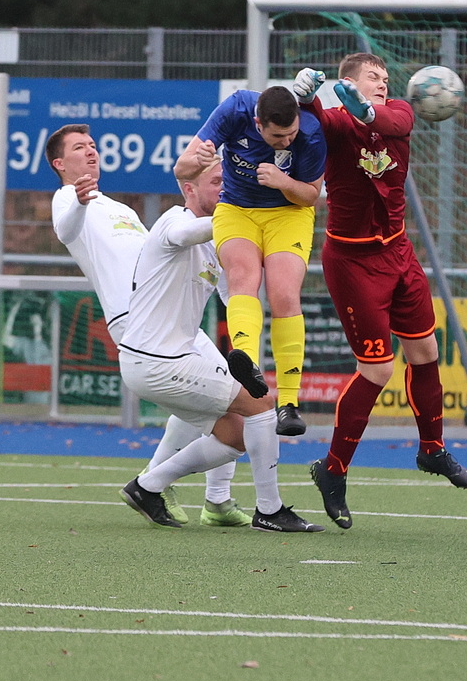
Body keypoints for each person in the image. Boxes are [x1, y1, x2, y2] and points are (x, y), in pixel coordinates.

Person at [289, 54, 467, 532]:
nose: (382, 84)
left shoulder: (397, 112)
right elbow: (311, 124)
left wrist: (369, 109)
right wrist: (304, 99)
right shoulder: (337, 122)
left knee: (426, 350)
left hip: (398, 253)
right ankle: (332, 470)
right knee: (377, 369)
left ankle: (432, 449)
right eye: (372, 78)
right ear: (347, 83)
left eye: (386, 79)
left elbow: (395, 121)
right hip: (352, 262)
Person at [48, 124, 248, 527]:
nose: (91, 151)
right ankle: (164, 485)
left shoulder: (121, 209)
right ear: (60, 163)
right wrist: (80, 203)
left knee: (219, 397)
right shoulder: (68, 198)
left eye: (92, 145)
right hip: (136, 320)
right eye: (79, 147)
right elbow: (65, 231)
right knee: (230, 401)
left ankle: (209, 499)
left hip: (169, 314)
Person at [117, 157, 322, 533]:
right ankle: (270, 510)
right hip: (159, 361)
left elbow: (237, 297)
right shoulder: (173, 222)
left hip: (160, 362)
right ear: (189, 189)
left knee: (234, 433)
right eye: (216, 182)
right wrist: (240, 215)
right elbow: (185, 235)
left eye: (228, 181)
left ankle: (148, 486)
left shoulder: (219, 241)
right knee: (262, 405)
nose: (225, 188)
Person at [176, 86, 327, 437]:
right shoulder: (236, 109)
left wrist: (283, 181)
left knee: (284, 294)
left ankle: (288, 404)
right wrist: (199, 160)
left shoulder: (311, 131)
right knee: (242, 278)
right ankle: (247, 365)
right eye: (277, 137)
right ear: (258, 123)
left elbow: (310, 195)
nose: (286, 141)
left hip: (289, 213)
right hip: (237, 209)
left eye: (290, 134)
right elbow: (181, 168)